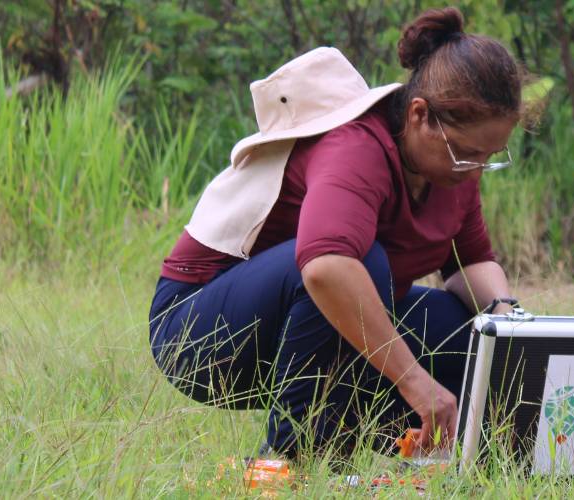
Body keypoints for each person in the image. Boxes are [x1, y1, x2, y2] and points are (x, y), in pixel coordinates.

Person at [147, 6, 524, 458]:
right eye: (467, 153)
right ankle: (292, 458)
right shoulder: (356, 147)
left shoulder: (452, 169)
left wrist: (512, 325)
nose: (476, 168)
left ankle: (429, 450)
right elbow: (326, 269)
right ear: (420, 116)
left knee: (469, 335)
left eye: (489, 155)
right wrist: (414, 382)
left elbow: (471, 261)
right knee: (359, 261)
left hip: (301, 325)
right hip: (198, 335)